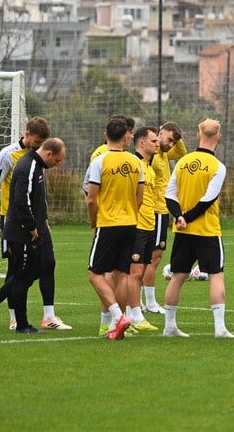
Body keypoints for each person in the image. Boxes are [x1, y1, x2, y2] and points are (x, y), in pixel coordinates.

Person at [0, 116, 71, 331]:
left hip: (34, 223)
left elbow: (38, 196)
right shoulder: (16, 158)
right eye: (37, 140)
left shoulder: (37, 162)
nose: (38, 144)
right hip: (17, 224)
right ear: (28, 134)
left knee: (44, 265)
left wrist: (44, 220)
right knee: (19, 271)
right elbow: (11, 195)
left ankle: (40, 314)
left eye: (43, 141)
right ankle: (17, 320)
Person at [163, 119, 234, 338]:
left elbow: (169, 194)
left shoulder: (183, 161)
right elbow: (208, 199)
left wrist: (179, 216)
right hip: (207, 230)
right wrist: (187, 217)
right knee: (216, 276)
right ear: (219, 137)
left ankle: (169, 327)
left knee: (177, 276)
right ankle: (220, 328)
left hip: (183, 231)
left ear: (198, 136)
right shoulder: (217, 166)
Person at [86, 116, 144, 340]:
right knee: (121, 274)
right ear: (125, 136)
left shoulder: (100, 161)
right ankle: (114, 328)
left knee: (95, 274)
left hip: (108, 223)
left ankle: (119, 317)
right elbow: (139, 198)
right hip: (130, 223)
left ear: (105, 136)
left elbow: (91, 199)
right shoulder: (135, 162)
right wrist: (130, 213)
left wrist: (94, 222)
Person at [143, 122, 186, 314]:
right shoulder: (151, 155)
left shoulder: (164, 153)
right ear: (159, 134)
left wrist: (174, 136)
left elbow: (182, 152)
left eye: (173, 141)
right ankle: (148, 303)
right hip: (154, 210)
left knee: (153, 257)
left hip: (162, 210)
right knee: (152, 257)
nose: (171, 144)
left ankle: (142, 302)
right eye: (169, 139)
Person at [123, 126, 160, 333]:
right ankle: (134, 315)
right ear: (142, 143)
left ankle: (133, 314)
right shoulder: (134, 164)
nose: (157, 144)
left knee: (142, 270)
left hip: (149, 225)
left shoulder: (149, 166)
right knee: (134, 272)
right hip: (136, 226)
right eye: (154, 141)